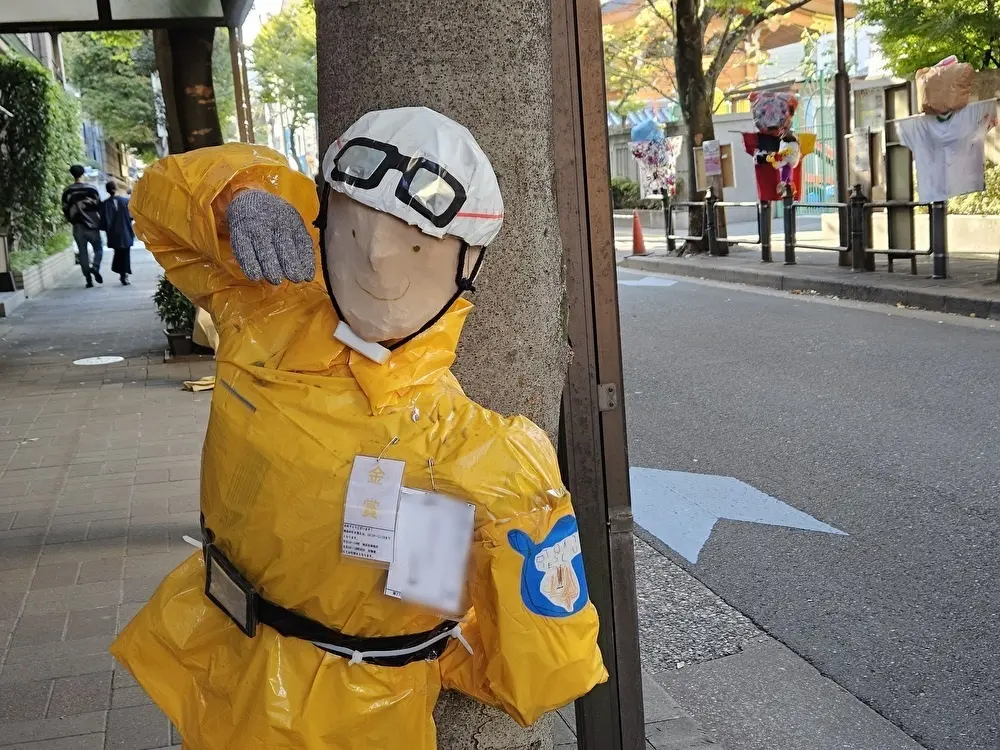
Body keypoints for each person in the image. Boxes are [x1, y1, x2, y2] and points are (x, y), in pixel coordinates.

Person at [61, 165, 104, 287]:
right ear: (83, 173)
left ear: (72, 174)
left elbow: (65, 209)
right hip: (92, 225)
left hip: (78, 226)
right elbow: (98, 206)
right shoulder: (92, 189)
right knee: (98, 249)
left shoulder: (67, 191)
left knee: (83, 253)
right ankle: (95, 267)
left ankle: (88, 280)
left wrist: (72, 220)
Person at [100, 180, 135, 285]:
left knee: (118, 252)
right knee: (125, 253)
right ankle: (124, 274)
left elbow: (103, 222)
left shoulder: (105, 204)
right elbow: (131, 216)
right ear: (116, 189)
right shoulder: (125, 201)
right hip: (125, 232)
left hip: (113, 234)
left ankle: (122, 273)